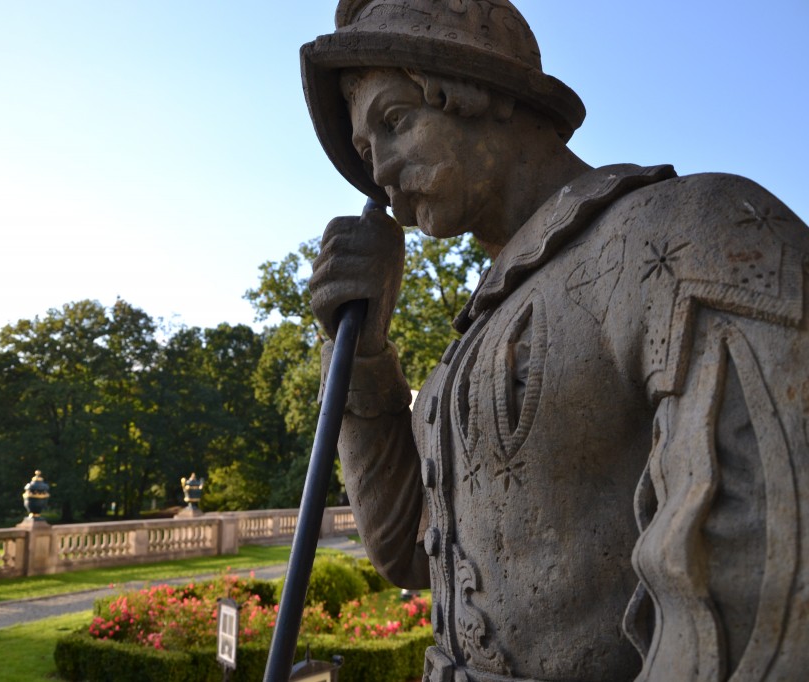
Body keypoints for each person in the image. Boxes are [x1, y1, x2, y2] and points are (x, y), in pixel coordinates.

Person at [301, 1, 809, 680]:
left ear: (481, 89)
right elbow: (404, 549)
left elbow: (759, 598)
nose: (382, 173)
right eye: (367, 154)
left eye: (395, 122)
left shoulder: (689, 235)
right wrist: (363, 354)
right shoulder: (467, 347)